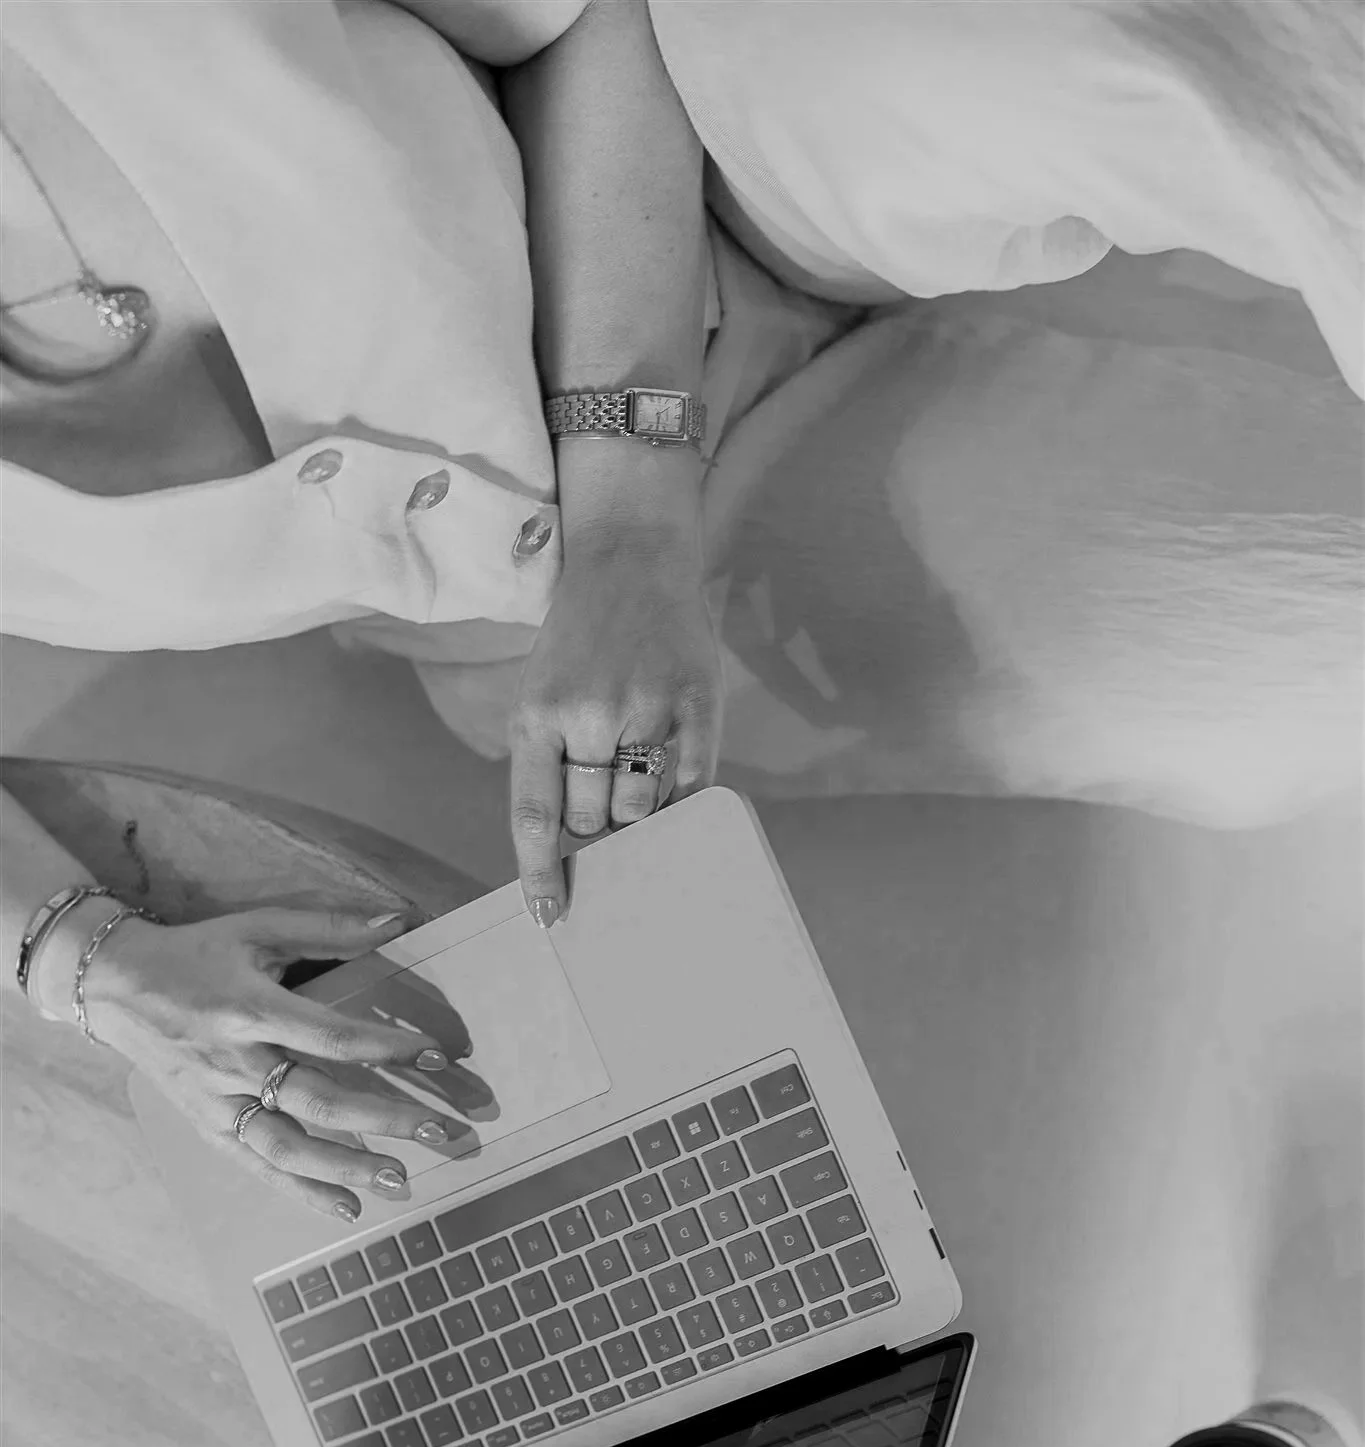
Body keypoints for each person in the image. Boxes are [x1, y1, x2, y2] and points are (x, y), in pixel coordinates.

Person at [3, 0, 1360, 1213]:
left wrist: (629, 525)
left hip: (710, 126)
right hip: (601, 622)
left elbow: (583, 18)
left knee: (1190, 52)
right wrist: (88, 965)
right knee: (1306, 665)